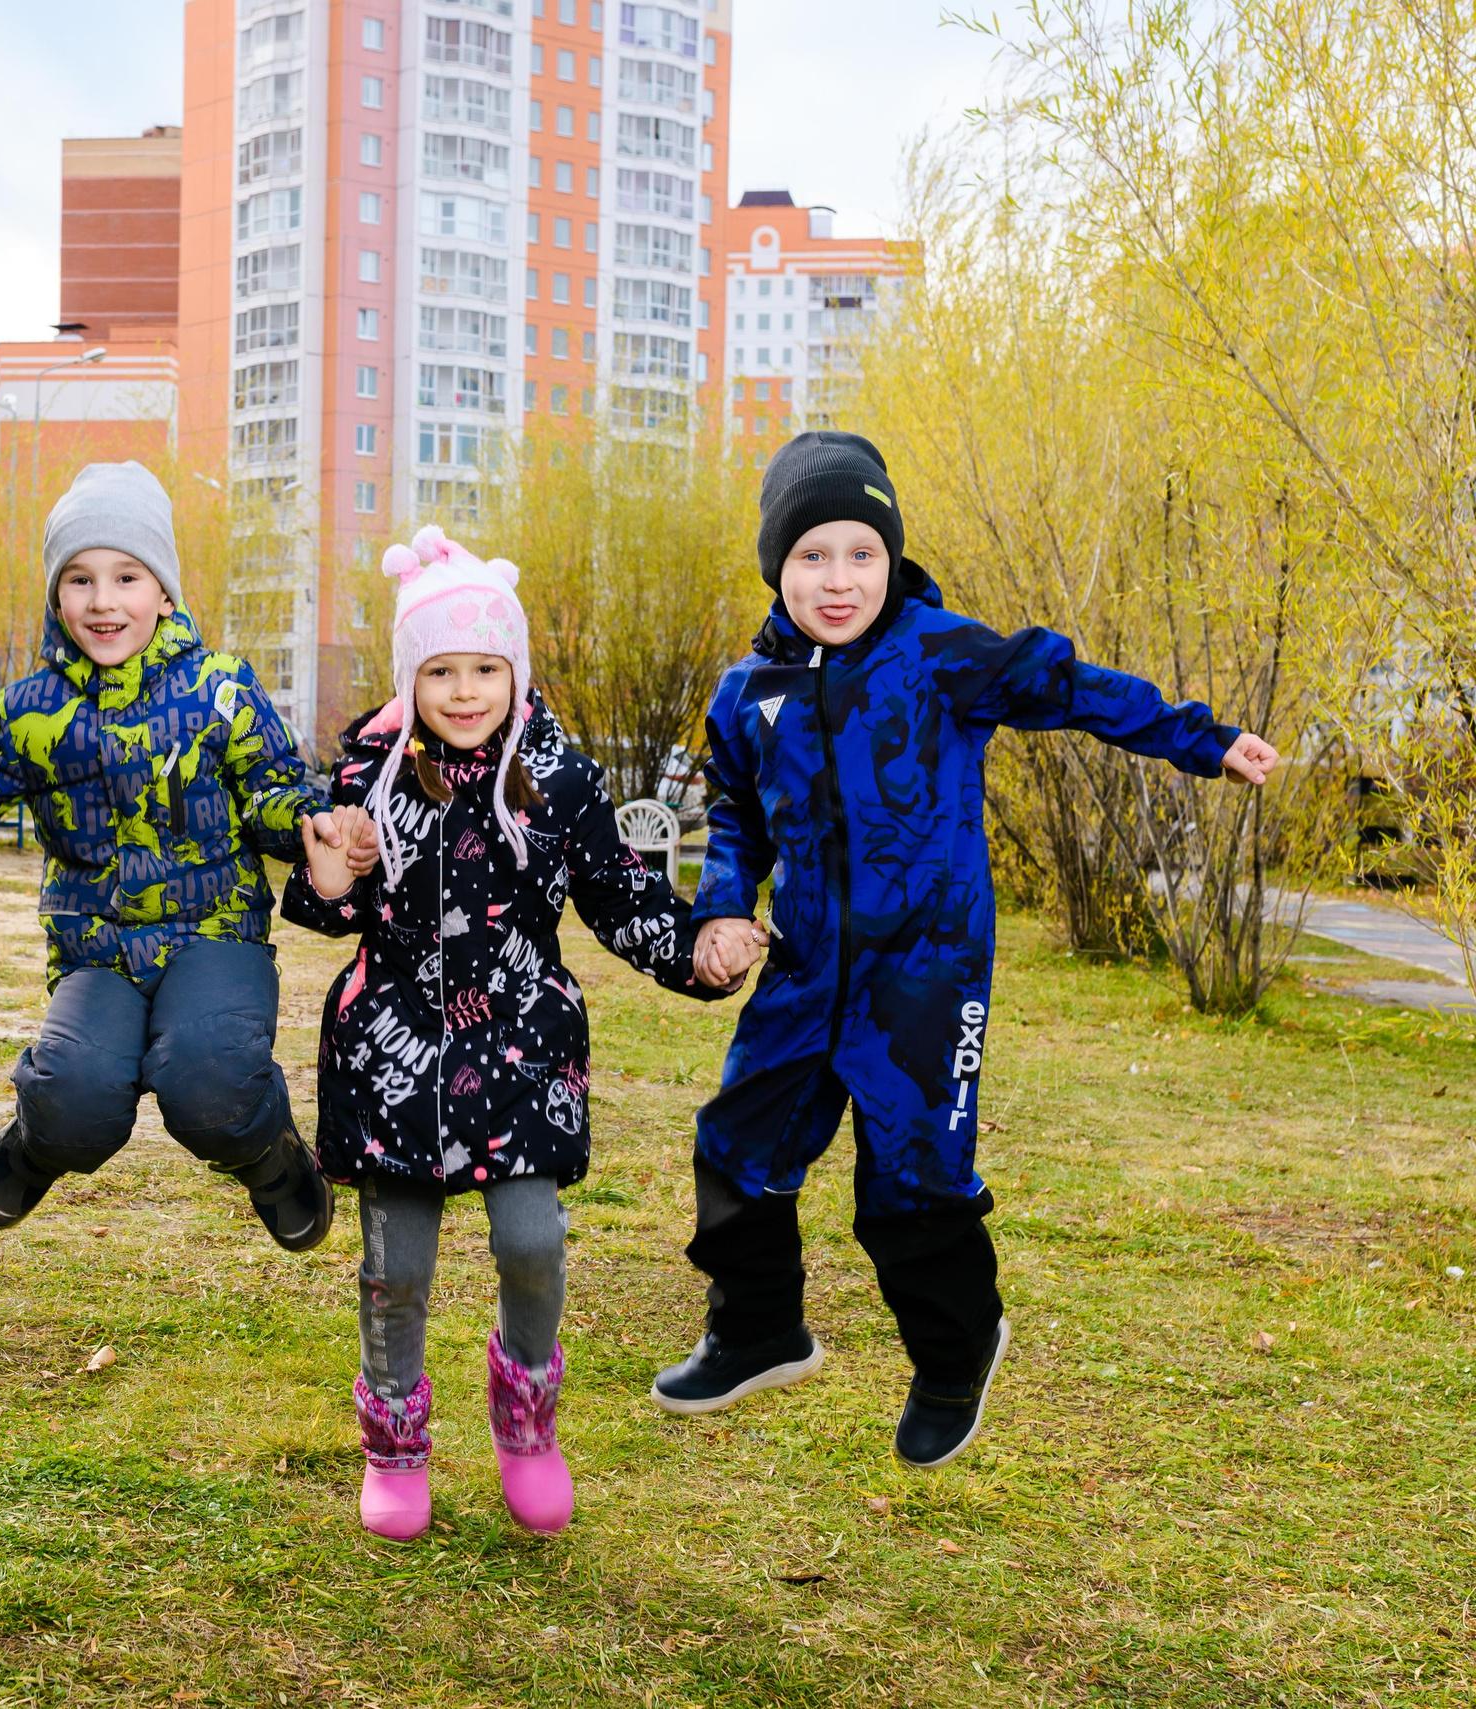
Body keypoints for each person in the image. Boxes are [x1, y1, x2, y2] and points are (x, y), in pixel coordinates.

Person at [656, 430, 1281, 1467]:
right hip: (806, 970)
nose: (838, 578)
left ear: (890, 557)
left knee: (910, 1185)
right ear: (777, 565)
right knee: (735, 1144)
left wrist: (1199, 739)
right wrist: (722, 907)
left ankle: (954, 1355)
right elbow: (733, 818)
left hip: (923, 979)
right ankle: (757, 1329)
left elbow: (1071, 685)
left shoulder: (941, 654)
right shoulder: (746, 692)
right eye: (812, 556)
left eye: (861, 552)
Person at [283, 526, 736, 1542]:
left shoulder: (557, 776)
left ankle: (525, 1424)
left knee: (531, 1242)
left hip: (520, 1050)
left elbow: (622, 898)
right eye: (439, 669)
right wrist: (327, 879)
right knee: (396, 1266)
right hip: (390, 1055)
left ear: (513, 670)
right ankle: (394, 1443)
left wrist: (697, 947)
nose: (463, 688)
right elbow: (330, 908)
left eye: (484, 666)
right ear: (411, 675)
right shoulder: (370, 772)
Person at [0, 460, 362, 1250]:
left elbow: (275, 788)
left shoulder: (219, 689)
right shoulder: (32, 713)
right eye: (79, 579)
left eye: (126, 575)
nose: (103, 600)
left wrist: (313, 832)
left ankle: (269, 1156)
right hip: (96, 951)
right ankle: (37, 1144)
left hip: (213, 932)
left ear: (164, 591)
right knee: (75, 1097)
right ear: (56, 596)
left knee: (208, 1077)